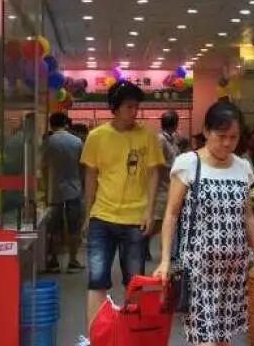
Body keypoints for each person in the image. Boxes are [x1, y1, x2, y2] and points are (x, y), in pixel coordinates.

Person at [154, 101, 254, 346]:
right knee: (205, 340)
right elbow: (172, 214)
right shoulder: (188, 163)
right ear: (207, 131)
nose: (227, 143)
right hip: (198, 270)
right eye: (221, 136)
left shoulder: (242, 167)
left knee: (223, 339)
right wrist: (165, 260)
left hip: (233, 271)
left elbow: (248, 216)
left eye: (234, 137)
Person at [80, 81, 165, 327]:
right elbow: (90, 177)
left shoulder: (147, 135)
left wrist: (150, 211)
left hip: (135, 219)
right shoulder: (96, 137)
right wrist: (87, 214)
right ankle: (96, 336)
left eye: (136, 107)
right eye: (129, 107)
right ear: (114, 108)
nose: (134, 112)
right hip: (102, 216)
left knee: (134, 282)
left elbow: (154, 174)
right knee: (96, 280)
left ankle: (132, 335)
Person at [43, 112, 85, 273]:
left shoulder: (48, 142)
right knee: (74, 227)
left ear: (51, 124)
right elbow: (83, 166)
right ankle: (73, 260)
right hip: (74, 189)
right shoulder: (77, 142)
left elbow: (43, 165)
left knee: (54, 227)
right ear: (66, 124)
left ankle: (53, 260)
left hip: (54, 191)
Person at [146, 110, 181, 261]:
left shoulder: (172, 139)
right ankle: (143, 243)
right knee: (158, 220)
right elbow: (159, 163)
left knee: (166, 219)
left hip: (171, 184)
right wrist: (171, 170)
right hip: (162, 185)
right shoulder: (161, 139)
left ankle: (166, 251)